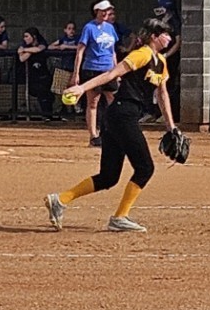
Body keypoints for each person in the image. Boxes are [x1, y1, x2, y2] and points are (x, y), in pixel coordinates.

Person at [44, 18, 177, 233]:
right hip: (122, 115)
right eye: (165, 34)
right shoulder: (142, 54)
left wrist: (172, 127)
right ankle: (120, 217)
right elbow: (110, 74)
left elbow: (162, 95)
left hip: (118, 116)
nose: (169, 38)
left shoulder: (161, 60)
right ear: (154, 37)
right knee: (145, 168)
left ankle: (60, 199)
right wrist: (81, 88)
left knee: (109, 176)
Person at [72, 0, 118, 146]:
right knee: (93, 102)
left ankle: (113, 132)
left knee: (113, 101)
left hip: (108, 69)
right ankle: (93, 136)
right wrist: (76, 73)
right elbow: (80, 50)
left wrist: (117, 70)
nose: (105, 13)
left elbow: (113, 51)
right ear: (96, 11)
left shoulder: (110, 28)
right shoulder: (89, 28)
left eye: (108, 11)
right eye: (102, 11)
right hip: (92, 68)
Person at [153, 0, 182, 120]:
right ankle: (156, 112)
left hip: (170, 59)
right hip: (160, 56)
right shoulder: (161, 21)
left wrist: (166, 55)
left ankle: (166, 114)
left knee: (167, 85)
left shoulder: (174, 21)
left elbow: (178, 42)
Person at [17, 27, 54, 118]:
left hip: (44, 76)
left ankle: (49, 115)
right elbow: (22, 58)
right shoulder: (24, 44)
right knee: (39, 92)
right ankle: (45, 114)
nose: (25, 39)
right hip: (32, 78)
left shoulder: (41, 42)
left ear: (33, 37)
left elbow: (39, 49)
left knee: (47, 95)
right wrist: (29, 51)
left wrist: (26, 50)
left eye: (27, 36)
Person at [48, 20, 79, 117]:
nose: (71, 31)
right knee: (59, 91)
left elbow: (80, 47)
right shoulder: (62, 39)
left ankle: (73, 111)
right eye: (69, 29)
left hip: (73, 69)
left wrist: (67, 47)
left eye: (73, 29)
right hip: (63, 68)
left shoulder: (78, 39)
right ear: (65, 30)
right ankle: (59, 111)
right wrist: (59, 47)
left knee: (73, 91)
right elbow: (50, 47)